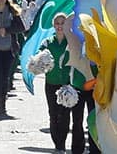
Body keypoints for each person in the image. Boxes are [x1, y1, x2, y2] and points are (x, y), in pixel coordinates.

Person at [41, 12, 95, 154]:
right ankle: (61, 145)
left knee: (69, 116)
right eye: (57, 23)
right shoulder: (50, 42)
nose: (60, 26)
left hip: (71, 84)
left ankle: (74, 146)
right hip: (58, 84)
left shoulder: (76, 41)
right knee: (56, 115)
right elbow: (39, 58)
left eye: (62, 23)